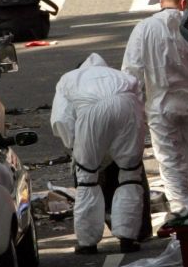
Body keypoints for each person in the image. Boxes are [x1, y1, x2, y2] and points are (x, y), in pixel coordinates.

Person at [122, 0, 188, 219]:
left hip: (160, 104)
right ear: (183, 2)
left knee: (169, 159)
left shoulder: (143, 29)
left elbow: (131, 73)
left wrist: (137, 107)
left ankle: (180, 208)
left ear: (160, 1)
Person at [51, 53, 146, 254]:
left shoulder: (69, 79)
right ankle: (128, 237)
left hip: (92, 111)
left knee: (87, 178)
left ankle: (88, 242)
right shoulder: (121, 76)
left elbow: (61, 119)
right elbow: (139, 105)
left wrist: (74, 147)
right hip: (127, 105)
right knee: (130, 174)